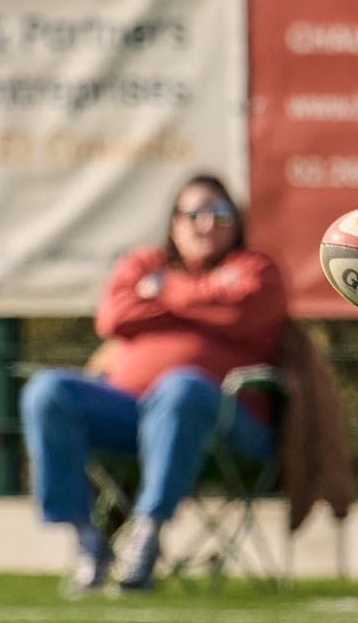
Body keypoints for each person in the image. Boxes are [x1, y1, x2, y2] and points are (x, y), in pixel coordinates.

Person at [22, 174, 287, 594]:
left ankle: (145, 533)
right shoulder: (142, 264)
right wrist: (209, 295)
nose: (207, 224)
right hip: (129, 415)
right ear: (174, 222)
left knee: (180, 387)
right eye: (195, 214)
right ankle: (88, 539)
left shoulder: (257, 268)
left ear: (237, 222)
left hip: (226, 424)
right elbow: (114, 316)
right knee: (47, 390)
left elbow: (243, 313)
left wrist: (164, 293)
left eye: (220, 213)